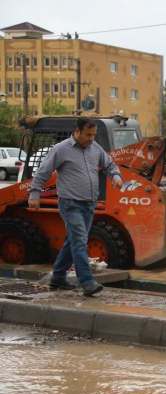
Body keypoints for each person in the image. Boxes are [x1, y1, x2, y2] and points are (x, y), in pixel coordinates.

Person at [28, 117, 123, 296]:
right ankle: (87, 281)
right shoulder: (61, 149)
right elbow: (44, 171)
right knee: (80, 240)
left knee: (73, 240)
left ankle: (57, 277)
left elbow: (109, 163)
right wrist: (35, 193)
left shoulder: (95, 148)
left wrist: (115, 175)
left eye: (94, 135)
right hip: (70, 203)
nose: (91, 138)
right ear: (77, 131)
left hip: (89, 203)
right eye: (88, 134)